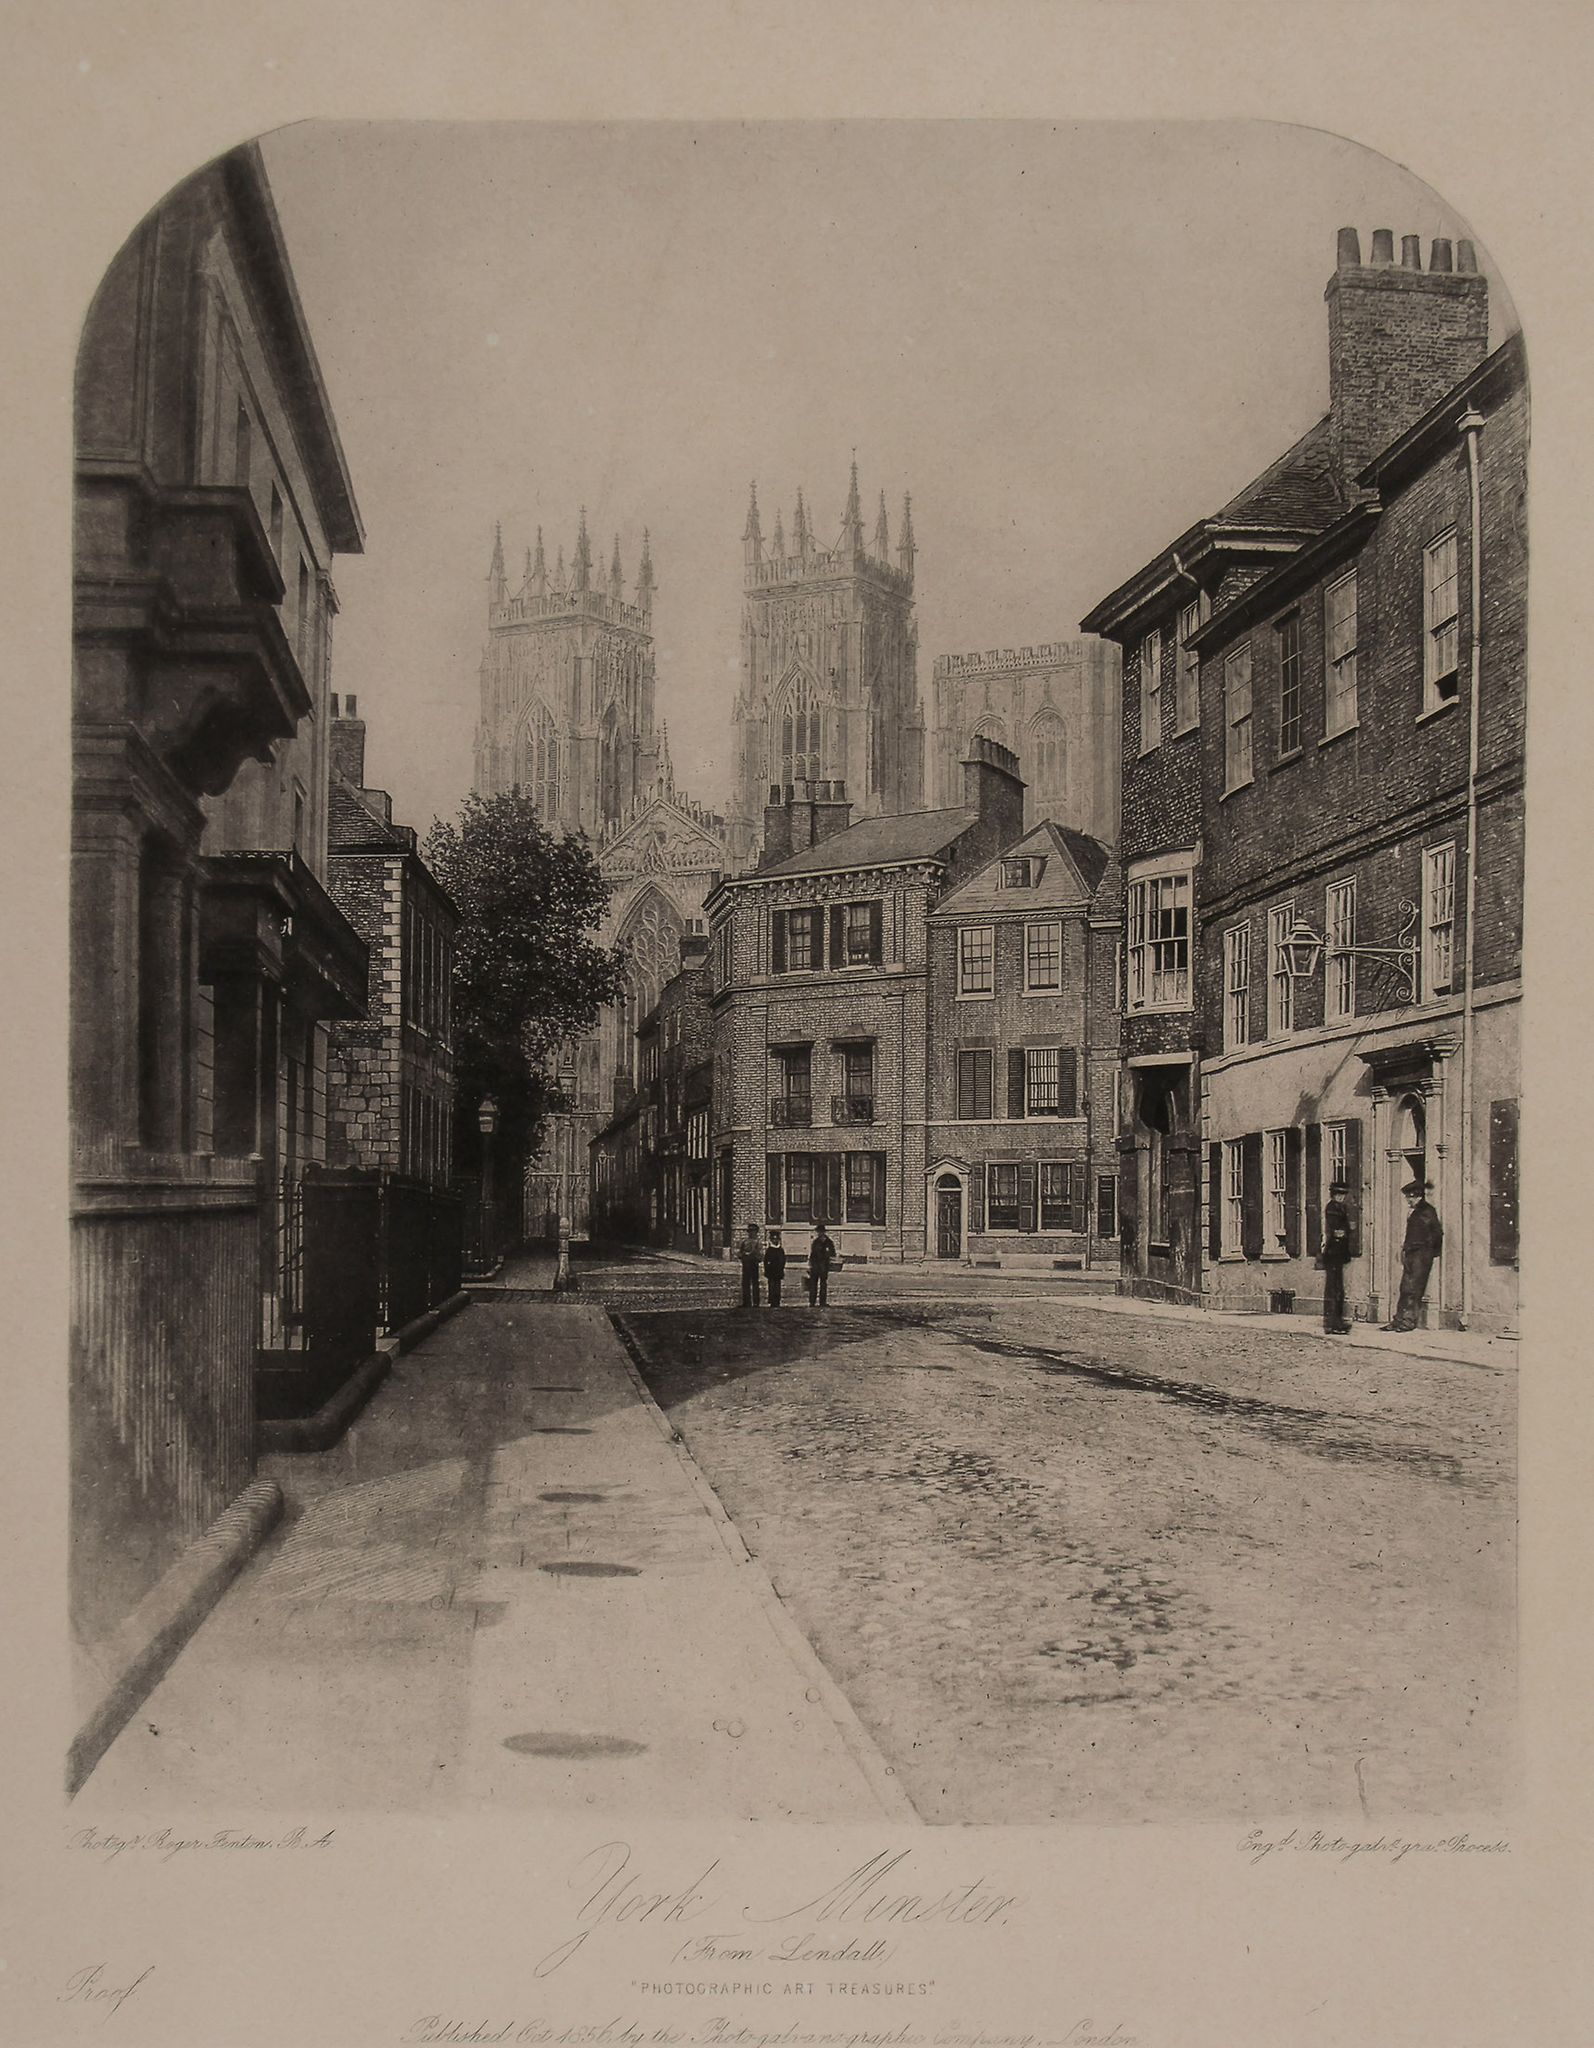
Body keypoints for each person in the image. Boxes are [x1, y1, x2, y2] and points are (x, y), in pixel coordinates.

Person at [1384, 1178, 1442, 1331]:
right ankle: (1398, 1320)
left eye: (1409, 1197)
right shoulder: (1417, 1211)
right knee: (1405, 1287)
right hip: (1412, 1254)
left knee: (1413, 1289)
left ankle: (1408, 1322)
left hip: (1420, 1255)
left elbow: (1437, 1234)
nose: (1408, 1200)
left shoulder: (1427, 1211)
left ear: (1417, 1196)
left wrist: (1427, 1253)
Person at [1320, 1177, 1356, 1334]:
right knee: (1335, 1289)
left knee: (1338, 1289)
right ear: (1333, 1195)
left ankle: (1336, 1322)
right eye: (1338, 1195)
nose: (1341, 1197)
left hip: (1338, 1252)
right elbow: (1338, 1231)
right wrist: (1349, 1228)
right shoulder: (1333, 1208)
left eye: (1343, 1195)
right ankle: (1333, 1323)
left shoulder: (1340, 1207)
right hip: (1334, 1252)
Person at [807, 1221, 837, 1306]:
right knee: (813, 1284)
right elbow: (812, 1254)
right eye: (818, 1232)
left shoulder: (829, 1242)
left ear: (824, 1232)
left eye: (821, 1232)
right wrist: (810, 1264)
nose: (819, 1234)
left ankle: (822, 1302)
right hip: (815, 1266)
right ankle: (812, 1302)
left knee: (823, 1284)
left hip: (824, 1266)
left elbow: (832, 1253)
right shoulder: (815, 1242)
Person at [737, 1221, 762, 1308]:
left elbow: (760, 1255)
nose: (751, 1233)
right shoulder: (744, 1242)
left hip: (754, 1264)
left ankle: (756, 1302)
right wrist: (743, 1255)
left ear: (756, 1232)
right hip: (746, 1264)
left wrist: (754, 1255)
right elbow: (739, 1253)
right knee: (745, 1283)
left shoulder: (758, 1242)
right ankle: (746, 1302)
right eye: (750, 1231)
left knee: (755, 1283)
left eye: (753, 1231)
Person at [763, 1227, 787, 1308]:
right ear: (771, 1240)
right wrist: (767, 1269)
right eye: (773, 1239)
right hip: (771, 1271)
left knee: (777, 1286)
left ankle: (777, 1301)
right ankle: (772, 1301)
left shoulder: (780, 1250)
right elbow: (766, 1261)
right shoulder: (769, 1250)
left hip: (778, 1271)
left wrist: (781, 1268)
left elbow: (783, 1260)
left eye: (776, 1239)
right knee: (771, 1286)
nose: (775, 1241)